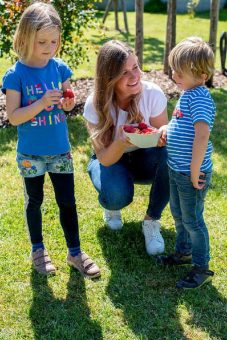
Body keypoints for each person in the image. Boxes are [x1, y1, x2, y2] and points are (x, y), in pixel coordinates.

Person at [2, 2, 100, 278]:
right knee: (34, 201)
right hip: (31, 153)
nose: (48, 47)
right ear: (25, 37)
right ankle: (38, 249)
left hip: (60, 150)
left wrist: (68, 104)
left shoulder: (59, 68)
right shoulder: (16, 75)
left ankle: (75, 252)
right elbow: (14, 116)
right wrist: (42, 102)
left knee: (67, 201)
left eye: (53, 41)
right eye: (41, 41)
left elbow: (68, 99)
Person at [83, 40, 170, 255]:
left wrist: (164, 133)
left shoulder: (153, 94)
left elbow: (163, 134)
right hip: (110, 159)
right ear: (109, 78)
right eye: (124, 73)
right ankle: (111, 207)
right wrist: (120, 141)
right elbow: (104, 157)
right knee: (116, 197)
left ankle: (151, 222)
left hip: (144, 158)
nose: (135, 76)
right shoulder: (94, 103)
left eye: (136, 67)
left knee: (172, 153)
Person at [157, 37, 216, 289]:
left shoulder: (200, 97)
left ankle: (201, 267)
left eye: (180, 71)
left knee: (193, 220)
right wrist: (165, 129)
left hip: (192, 173)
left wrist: (194, 171)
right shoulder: (187, 93)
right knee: (179, 215)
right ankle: (184, 252)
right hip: (176, 169)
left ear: (202, 75)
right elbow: (180, 124)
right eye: (173, 69)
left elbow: (202, 135)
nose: (174, 74)